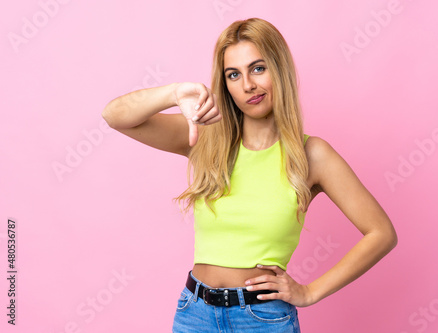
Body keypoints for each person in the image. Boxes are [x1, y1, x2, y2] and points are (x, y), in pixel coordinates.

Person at [102, 17, 397, 333]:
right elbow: (115, 116)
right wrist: (175, 93)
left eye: (258, 68)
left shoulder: (312, 155)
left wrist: (310, 292)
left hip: (262, 320)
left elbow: (381, 233)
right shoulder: (205, 138)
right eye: (233, 74)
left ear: (278, 69)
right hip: (195, 315)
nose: (247, 86)